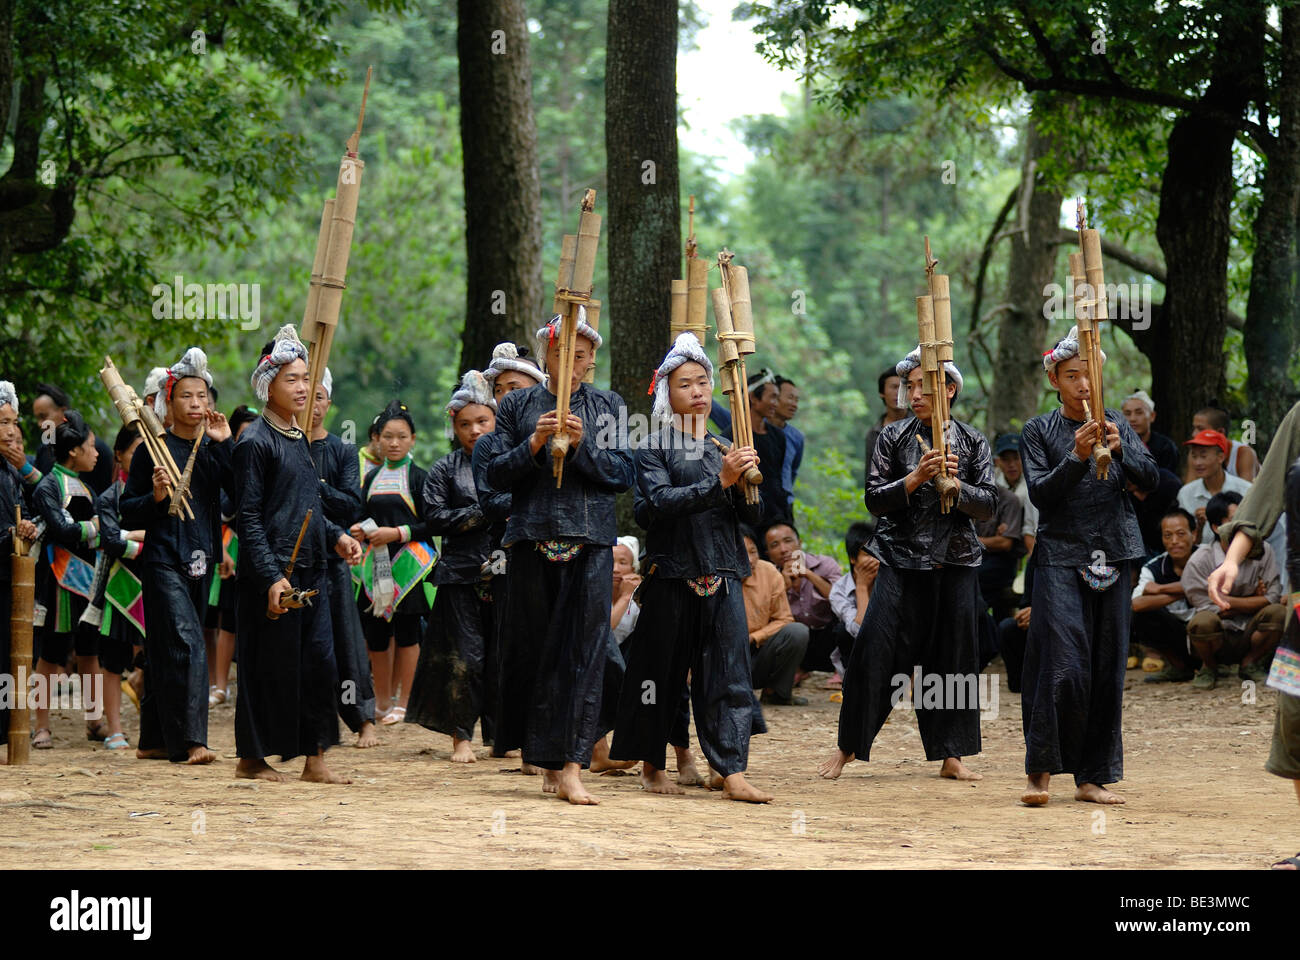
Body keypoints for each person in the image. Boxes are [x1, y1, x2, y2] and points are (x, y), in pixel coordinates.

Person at [819, 345, 996, 783]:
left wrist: (958, 488)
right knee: (875, 653)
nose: (913, 394)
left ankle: (951, 754)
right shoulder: (892, 438)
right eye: (909, 386)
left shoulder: (973, 442)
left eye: (925, 386)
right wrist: (915, 478)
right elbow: (874, 499)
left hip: (955, 563)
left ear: (950, 389)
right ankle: (848, 747)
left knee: (953, 659)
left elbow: (989, 504)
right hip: (900, 561)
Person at [480, 309, 633, 804]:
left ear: (591, 362)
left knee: (583, 655)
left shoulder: (607, 405)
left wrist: (585, 444)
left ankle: (572, 765)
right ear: (546, 355)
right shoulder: (518, 404)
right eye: (561, 352)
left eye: (581, 356)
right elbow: (495, 476)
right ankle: (543, 757)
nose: (571, 363)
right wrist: (535, 442)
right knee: (534, 651)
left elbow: (622, 473)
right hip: (530, 538)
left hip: (589, 543)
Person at [611, 333, 772, 802]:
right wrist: (721, 481)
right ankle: (651, 763)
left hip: (722, 571)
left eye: (703, 382)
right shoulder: (652, 447)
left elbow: (754, 518)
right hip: (672, 575)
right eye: (685, 384)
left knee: (729, 673)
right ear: (667, 393)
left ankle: (732, 770)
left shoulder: (726, 445)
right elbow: (654, 506)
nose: (698, 391)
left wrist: (745, 483)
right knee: (658, 676)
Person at [1018, 327, 1158, 806]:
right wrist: (1077, 456)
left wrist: (1121, 448)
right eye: (1071, 375)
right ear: (1055, 379)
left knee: (1106, 667)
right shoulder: (1038, 431)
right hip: (1060, 555)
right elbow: (1041, 494)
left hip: (1116, 552)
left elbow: (1151, 478)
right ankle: (1040, 771)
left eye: (1089, 374)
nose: (1082, 384)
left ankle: (1091, 777)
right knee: (1064, 667)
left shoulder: (1117, 421)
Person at [232, 324, 363, 783]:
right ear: (269, 386)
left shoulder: (297, 439)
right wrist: (270, 576)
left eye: (307, 378)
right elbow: (247, 517)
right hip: (272, 575)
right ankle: (251, 757)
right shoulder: (253, 442)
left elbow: (307, 506)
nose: (303, 387)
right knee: (265, 665)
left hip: (312, 569)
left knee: (320, 663)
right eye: (292, 379)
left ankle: (316, 760)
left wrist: (336, 536)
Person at [121, 347, 234, 765]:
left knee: (164, 648)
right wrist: (153, 496)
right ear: (168, 402)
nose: (196, 404)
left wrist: (225, 445)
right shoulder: (152, 449)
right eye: (186, 396)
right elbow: (127, 510)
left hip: (202, 556)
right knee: (188, 643)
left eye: (202, 396)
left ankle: (151, 739)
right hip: (163, 558)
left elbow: (239, 496)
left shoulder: (213, 447)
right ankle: (192, 741)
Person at [407, 371, 508, 762]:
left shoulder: (508, 465)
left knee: (501, 658)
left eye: (482, 421)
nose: (475, 430)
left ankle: (501, 738)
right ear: (454, 426)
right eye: (465, 424)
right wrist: (488, 511)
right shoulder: (444, 469)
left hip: (504, 571)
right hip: (458, 575)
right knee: (466, 658)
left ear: (496, 420)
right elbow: (434, 518)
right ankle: (461, 737)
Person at [476, 340, 546, 768]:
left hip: (569, 554)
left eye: (515, 386)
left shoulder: (568, 431)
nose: (507, 396)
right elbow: (492, 502)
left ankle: (587, 743)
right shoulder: (489, 446)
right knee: (523, 651)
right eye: (499, 389)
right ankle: (527, 745)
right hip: (517, 557)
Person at [350, 401, 436, 727]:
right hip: (375, 567)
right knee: (376, 636)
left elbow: (433, 523)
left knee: (408, 634)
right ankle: (382, 702)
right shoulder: (370, 478)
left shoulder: (420, 478)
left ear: (413, 439)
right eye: (388, 436)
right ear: (377, 440)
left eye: (401, 436)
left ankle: (405, 702)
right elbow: (358, 516)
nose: (394, 443)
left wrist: (397, 532)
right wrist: (359, 530)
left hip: (409, 568)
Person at [309, 370, 377, 749]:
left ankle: (362, 718)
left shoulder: (342, 450)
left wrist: (313, 486)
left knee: (345, 640)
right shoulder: (282, 444)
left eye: (320, 397)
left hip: (333, 557)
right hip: (293, 558)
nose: (313, 404)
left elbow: (352, 502)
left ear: (328, 403)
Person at [30, 410, 104, 749]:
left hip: (87, 578)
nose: (97, 452)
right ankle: (41, 726)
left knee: (89, 650)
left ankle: (94, 719)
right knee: (52, 653)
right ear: (73, 451)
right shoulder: (48, 485)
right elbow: (63, 531)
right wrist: (97, 529)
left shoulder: (85, 486)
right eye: (90, 446)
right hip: (58, 579)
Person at [1182, 491, 1284, 688]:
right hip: (1219, 633)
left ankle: (1250, 663)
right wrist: (1254, 599)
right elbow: (1208, 609)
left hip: (1250, 628)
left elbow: (1272, 598)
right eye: (1235, 521)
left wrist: (1224, 600)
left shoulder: (1264, 551)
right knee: (1202, 623)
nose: (1243, 527)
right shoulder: (1200, 560)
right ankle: (1208, 666)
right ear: (1217, 527)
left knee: (1278, 613)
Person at [92, 426, 147, 749]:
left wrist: (130, 535)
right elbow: (111, 541)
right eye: (135, 452)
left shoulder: (159, 492)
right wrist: (143, 539)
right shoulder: (108, 498)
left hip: (155, 582)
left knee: (153, 657)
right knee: (113, 660)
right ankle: (114, 728)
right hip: (118, 587)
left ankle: (153, 727)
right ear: (120, 456)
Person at [209, 404, 259, 705]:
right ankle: (219, 685)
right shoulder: (226, 467)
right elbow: (219, 512)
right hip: (234, 549)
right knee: (227, 621)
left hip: (262, 550)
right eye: (243, 435)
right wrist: (223, 550)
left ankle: (252, 684)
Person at [0, 382, 39, 751]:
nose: (11, 430)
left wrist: (24, 527)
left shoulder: (12, 471)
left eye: (13, 421)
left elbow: (30, 512)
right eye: (2, 422)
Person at [763, 521, 842, 682]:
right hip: (800, 643)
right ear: (769, 554)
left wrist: (808, 574)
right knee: (789, 630)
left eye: (788, 541)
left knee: (844, 622)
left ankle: (839, 670)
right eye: (775, 545)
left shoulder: (825, 564)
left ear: (800, 543)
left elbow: (840, 598)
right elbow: (764, 614)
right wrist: (783, 584)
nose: (783, 549)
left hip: (829, 638)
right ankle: (797, 670)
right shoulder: (768, 576)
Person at [740, 525, 809, 705]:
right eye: (741, 552)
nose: (749, 559)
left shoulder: (768, 572)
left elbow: (784, 618)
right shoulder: (714, 577)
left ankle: (776, 692)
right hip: (723, 657)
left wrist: (754, 637)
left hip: (757, 652)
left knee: (797, 632)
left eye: (753, 551)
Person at [715, 369, 789, 529]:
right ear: (754, 398)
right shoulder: (730, 436)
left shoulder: (778, 436)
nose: (776, 404)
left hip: (776, 513)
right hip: (748, 513)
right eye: (773, 397)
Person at [1134, 507, 1198, 683]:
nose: (1174, 541)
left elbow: (1211, 587)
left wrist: (1160, 589)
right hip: (1175, 630)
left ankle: (1213, 667)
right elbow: (1137, 604)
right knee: (1141, 616)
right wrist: (1183, 591)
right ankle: (1178, 667)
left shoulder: (1208, 556)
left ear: (1195, 534)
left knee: (1209, 621)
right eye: (1168, 536)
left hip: (1208, 629)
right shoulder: (1153, 567)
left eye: (1181, 534)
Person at [32, 383, 115, 495]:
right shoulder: (43, 451)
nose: (40, 424)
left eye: (44, 417)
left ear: (63, 412)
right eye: (37, 418)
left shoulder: (99, 450)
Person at [1178, 429, 1252, 544]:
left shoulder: (1245, 490)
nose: (1197, 463)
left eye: (1203, 456)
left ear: (1221, 457)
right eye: (1194, 456)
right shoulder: (1186, 494)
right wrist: (1199, 526)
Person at [827, 520, 878, 681]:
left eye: (878, 552)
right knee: (843, 631)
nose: (875, 560)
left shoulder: (890, 582)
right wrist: (862, 588)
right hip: (858, 657)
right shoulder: (839, 590)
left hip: (889, 653)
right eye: (868, 554)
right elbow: (857, 630)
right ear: (853, 559)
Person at [975, 481, 1024, 625]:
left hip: (1000, 564)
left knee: (974, 586)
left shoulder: (1009, 499)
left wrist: (972, 540)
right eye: (1006, 460)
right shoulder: (973, 495)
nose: (1011, 465)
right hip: (980, 560)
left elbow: (1005, 543)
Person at [992, 434, 1038, 556]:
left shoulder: (1032, 482)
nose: (1011, 464)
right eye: (1006, 459)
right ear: (998, 462)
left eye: (1016, 458)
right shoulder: (993, 483)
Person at [864, 365, 907, 484]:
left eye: (903, 387)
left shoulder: (920, 425)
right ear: (882, 393)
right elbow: (870, 476)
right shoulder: (874, 433)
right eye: (894, 387)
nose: (898, 392)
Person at [1191, 406, 1258, 481]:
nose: (1194, 434)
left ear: (1220, 432)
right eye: (1194, 428)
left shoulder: (1243, 453)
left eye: (1201, 429)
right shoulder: (1195, 454)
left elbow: (1247, 490)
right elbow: (1189, 489)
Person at [1120, 390, 1180, 473]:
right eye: (1127, 413)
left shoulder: (1166, 447)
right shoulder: (1117, 445)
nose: (1132, 419)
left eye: (1139, 413)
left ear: (1152, 416)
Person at [769, 376, 804, 511]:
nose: (794, 404)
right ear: (774, 397)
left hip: (785, 504)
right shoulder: (752, 429)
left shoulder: (796, 437)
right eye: (790, 398)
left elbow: (793, 471)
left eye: (796, 400)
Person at [610, 536, 641, 646]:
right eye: (610, 561)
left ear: (632, 569)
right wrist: (625, 597)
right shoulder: (592, 596)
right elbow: (601, 633)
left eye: (622, 563)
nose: (615, 569)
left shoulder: (636, 606)